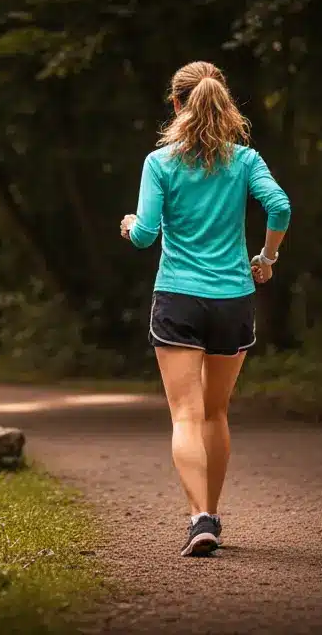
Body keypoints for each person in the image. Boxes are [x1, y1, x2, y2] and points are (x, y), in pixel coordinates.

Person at [119, 60, 291, 557]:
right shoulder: (245, 160)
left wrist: (130, 225)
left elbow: (147, 234)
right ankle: (211, 515)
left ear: (176, 104)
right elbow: (279, 207)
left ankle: (200, 519)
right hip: (233, 299)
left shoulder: (160, 163)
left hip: (177, 298)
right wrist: (266, 257)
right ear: (222, 99)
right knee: (215, 412)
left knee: (185, 417)